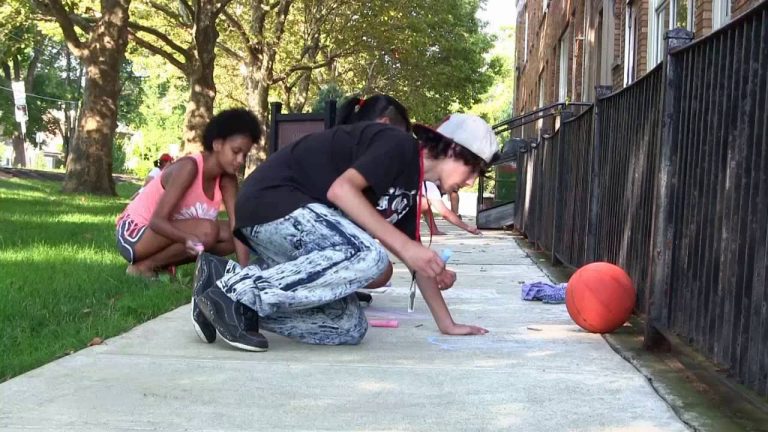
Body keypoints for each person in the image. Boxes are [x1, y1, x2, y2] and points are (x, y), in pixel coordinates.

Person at [191, 99, 499, 352]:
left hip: (293, 225)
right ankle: (234, 292)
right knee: (370, 258)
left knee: (348, 326)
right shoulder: (398, 145)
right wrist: (405, 247)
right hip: (271, 202)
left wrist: (447, 323)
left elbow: (414, 256)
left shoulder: (409, 187)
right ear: (451, 150)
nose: (471, 181)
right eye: (473, 169)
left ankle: (223, 290)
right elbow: (342, 190)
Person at [115, 109, 258, 279]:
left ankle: (150, 265)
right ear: (217, 144)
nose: (241, 160)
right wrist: (187, 238)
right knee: (208, 231)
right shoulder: (189, 168)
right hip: (135, 235)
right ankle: (145, 266)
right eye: (236, 151)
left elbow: (237, 227)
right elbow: (157, 221)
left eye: (245, 154)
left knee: (230, 234)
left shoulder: (228, 180)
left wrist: (245, 273)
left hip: (163, 234)